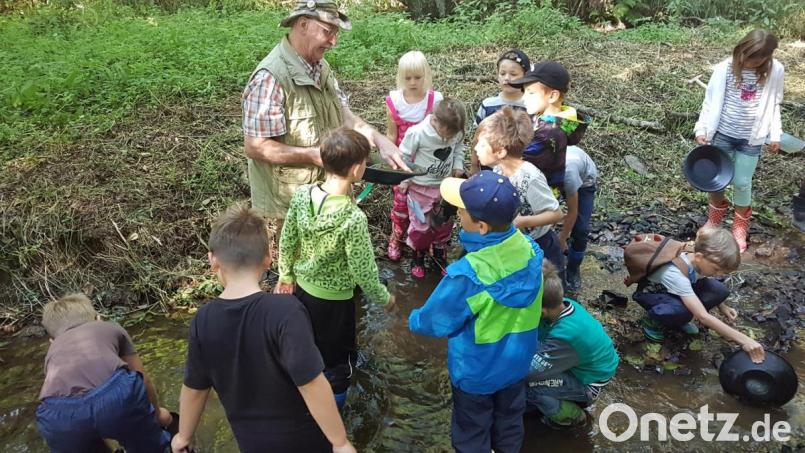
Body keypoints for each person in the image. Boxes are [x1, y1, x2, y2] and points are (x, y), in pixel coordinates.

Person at [171, 206, 356, 453]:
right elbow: (311, 382)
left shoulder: (203, 320)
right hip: (306, 441)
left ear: (212, 260)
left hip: (252, 445)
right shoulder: (286, 311)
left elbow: (194, 389)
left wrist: (183, 436)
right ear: (268, 259)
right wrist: (340, 442)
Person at [242, 0, 408, 234]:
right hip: (296, 202)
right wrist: (314, 155)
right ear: (303, 24)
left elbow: (345, 116)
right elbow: (255, 147)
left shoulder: (322, 68)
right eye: (327, 31)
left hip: (333, 192)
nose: (333, 41)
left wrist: (380, 141)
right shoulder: (270, 78)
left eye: (336, 33)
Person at [409, 171, 544, 453]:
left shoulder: (469, 275)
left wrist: (414, 318)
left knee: (471, 433)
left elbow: (435, 322)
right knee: (509, 423)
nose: (458, 213)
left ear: (480, 227)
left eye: (461, 210)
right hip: (517, 365)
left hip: (476, 373)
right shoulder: (531, 250)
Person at [276, 128, 395, 407]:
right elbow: (363, 271)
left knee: (308, 348)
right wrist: (383, 298)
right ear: (356, 170)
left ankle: (300, 397)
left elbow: (288, 239)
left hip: (302, 293)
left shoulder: (303, 195)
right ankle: (334, 415)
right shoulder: (353, 219)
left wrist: (286, 274)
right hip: (334, 305)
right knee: (337, 365)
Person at [36, 293, 173, 452]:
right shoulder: (110, 327)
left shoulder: (52, 351)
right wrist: (157, 415)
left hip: (56, 415)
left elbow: (84, 409)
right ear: (98, 318)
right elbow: (143, 379)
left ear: (51, 341)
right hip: (117, 395)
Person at [694, 29, 785, 252]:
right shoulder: (725, 67)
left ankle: (739, 228)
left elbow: (774, 103)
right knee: (717, 180)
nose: (749, 61)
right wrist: (702, 128)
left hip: (751, 138)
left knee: (742, 183)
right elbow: (710, 100)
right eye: (746, 55)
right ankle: (714, 221)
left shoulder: (776, 70)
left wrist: (775, 134)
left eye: (757, 58)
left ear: (768, 57)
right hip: (722, 133)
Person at [633, 228, 765, 363]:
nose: (719, 274)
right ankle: (652, 321)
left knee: (719, 290)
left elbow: (703, 281)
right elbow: (702, 316)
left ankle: (680, 316)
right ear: (699, 257)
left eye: (723, 272)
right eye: (716, 269)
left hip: (677, 288)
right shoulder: (675, 273)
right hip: (653, 292)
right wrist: (745, 340)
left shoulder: (699, 259)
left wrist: (723, 307)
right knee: (684, 311)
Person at [474, 107, 564, 284]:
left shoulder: (530, 177)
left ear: (500, 152)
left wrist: (523, 221)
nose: (476, 148)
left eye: (482, 144)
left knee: (548, 290)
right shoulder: (499, 170)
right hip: (516, 242)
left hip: (541, 244)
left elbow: (556, 214)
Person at [525, 261, 619, 428]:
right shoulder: (564, 304)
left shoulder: (566, 336)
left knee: (529, 386)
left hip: (590, 382)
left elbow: (530, 374)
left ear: (541, 312)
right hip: (581, 364)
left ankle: (574, 418)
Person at [398, 98, 467, 278]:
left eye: (453, 135)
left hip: (445, 186)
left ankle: (439, 252)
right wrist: (405, 179)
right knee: (420, 224)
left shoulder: (455, 132)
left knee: (444, 222)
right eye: (447, 135)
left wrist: (458, 164)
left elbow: (459, 147)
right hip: (420, 186)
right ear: (435, 120)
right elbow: (404, 156)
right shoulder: (417, 133)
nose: (450, 138)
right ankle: (418, 254)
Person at [385, 50, 443, 261]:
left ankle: (426, 240)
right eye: (407, 78)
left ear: (426, 75)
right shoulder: (394, 101)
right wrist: (390, 163)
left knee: (428, 204)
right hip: (404, 162)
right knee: (401, 203)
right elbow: (391, 134)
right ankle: (397, 236)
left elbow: (440, 134)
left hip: (427, 164)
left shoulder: (434, 100)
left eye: (417, 77)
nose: (412, 82)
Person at [509, 61, 589, 190]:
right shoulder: (542, 117)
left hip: (536, 197)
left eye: (531, 93)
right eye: (524, 91)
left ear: (552, 96)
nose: (523, 98)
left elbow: (515, 160)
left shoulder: (549, 133)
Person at [470, 49, 531, 174]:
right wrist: (474, 164)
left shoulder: (531, 105)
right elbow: (477, 137)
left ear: (525, 75)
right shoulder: (488, 105)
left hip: (519, 170)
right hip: (489, 168)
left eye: (513, 74)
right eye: (502, 73)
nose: (507, 78)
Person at [560, 145, 598, 291]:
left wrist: (562, 238)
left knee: (581, 229)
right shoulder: (538, 164)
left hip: (584, 182)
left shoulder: (569, 171)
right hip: (558, 177)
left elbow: (572, 211)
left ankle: (573, 268)